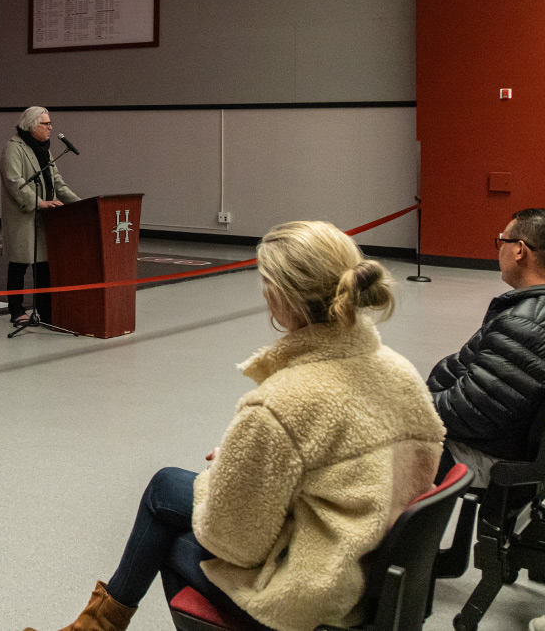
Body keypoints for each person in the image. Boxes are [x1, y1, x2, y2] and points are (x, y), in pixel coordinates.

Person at [25, 221, 444, 631]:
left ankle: (99, 625)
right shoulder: (400, 372)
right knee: (166, 486)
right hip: (371, 565)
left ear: (281, 296)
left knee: (171, 539)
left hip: (315, 590)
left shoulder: (281, 402)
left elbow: (237, 544)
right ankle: (97, 626)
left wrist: (221, 475)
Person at [426, 208, 545, 485]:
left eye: (501, 242)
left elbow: (467, 413)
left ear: (519, 250)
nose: (499, 251)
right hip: (511, 444)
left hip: (490, 457)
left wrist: (407, 405)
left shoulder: (528, 325)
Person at [0, 106, 78, 327]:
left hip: (45, 217)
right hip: (23, 215)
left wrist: (82, 205)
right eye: (46, 124)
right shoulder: (13, 148)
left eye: (50, 124)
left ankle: (46, 311)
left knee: (44, 266)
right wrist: (39, 202)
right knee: (19, 263)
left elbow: (58, 183)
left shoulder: (44, 149)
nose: (50, 128)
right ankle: (16, 311)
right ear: (32, 125)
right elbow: (14, 182)